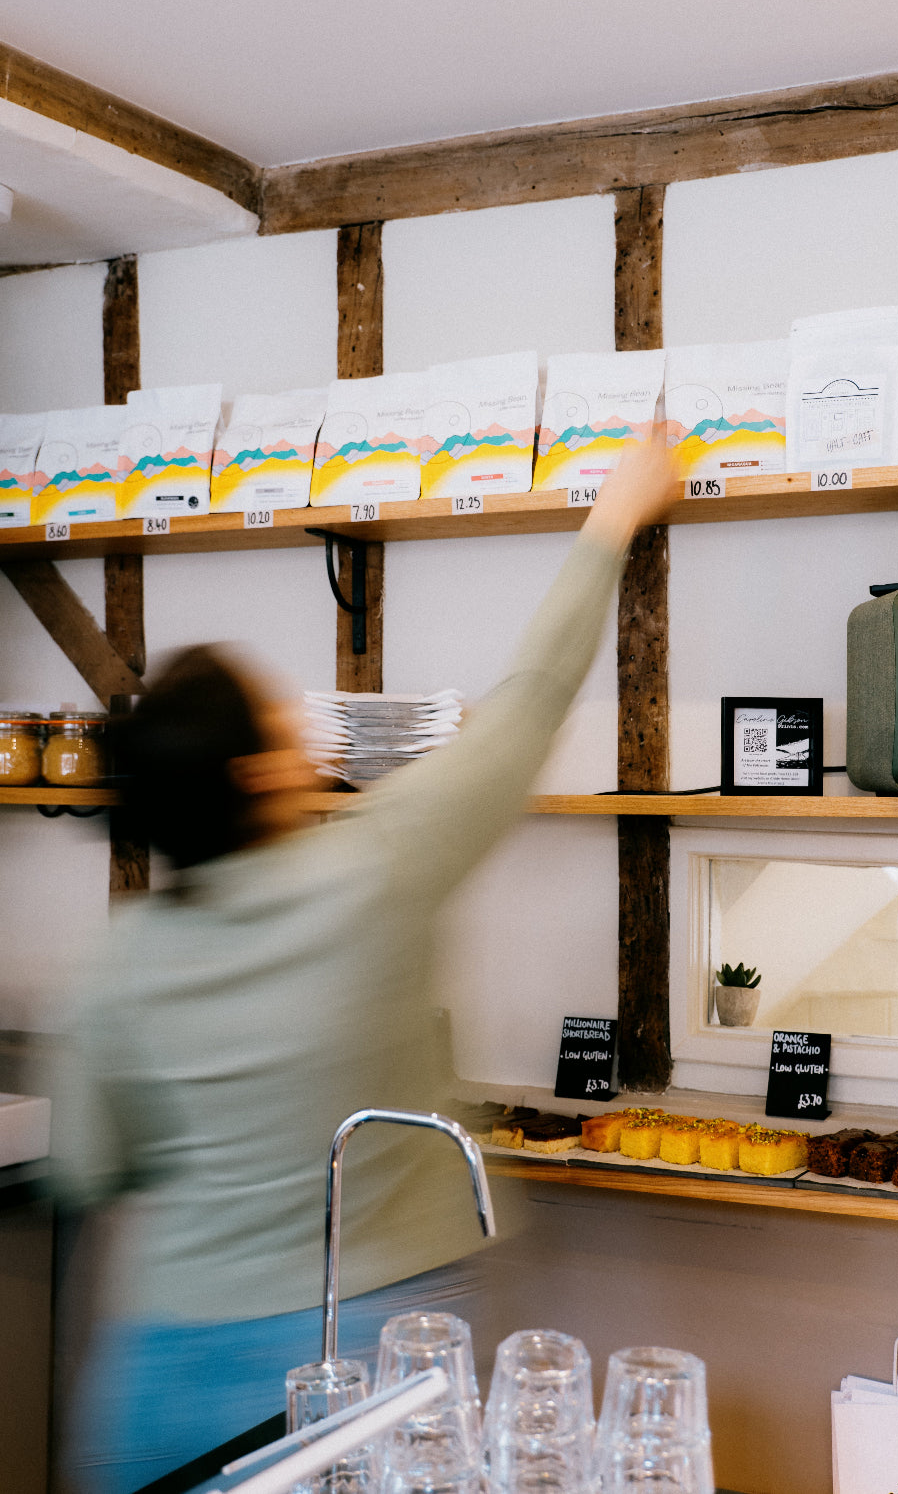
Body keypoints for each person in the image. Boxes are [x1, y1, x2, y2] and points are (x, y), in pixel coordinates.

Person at [51, 438, 682, 1493]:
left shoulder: (122, 960)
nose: (308, 727)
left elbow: (90, 1165)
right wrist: (614, 517)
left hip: (158, 1370)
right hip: (371, 1355)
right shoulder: (379, 864)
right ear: (256, 775)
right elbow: (529, 703)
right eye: (283, 717)